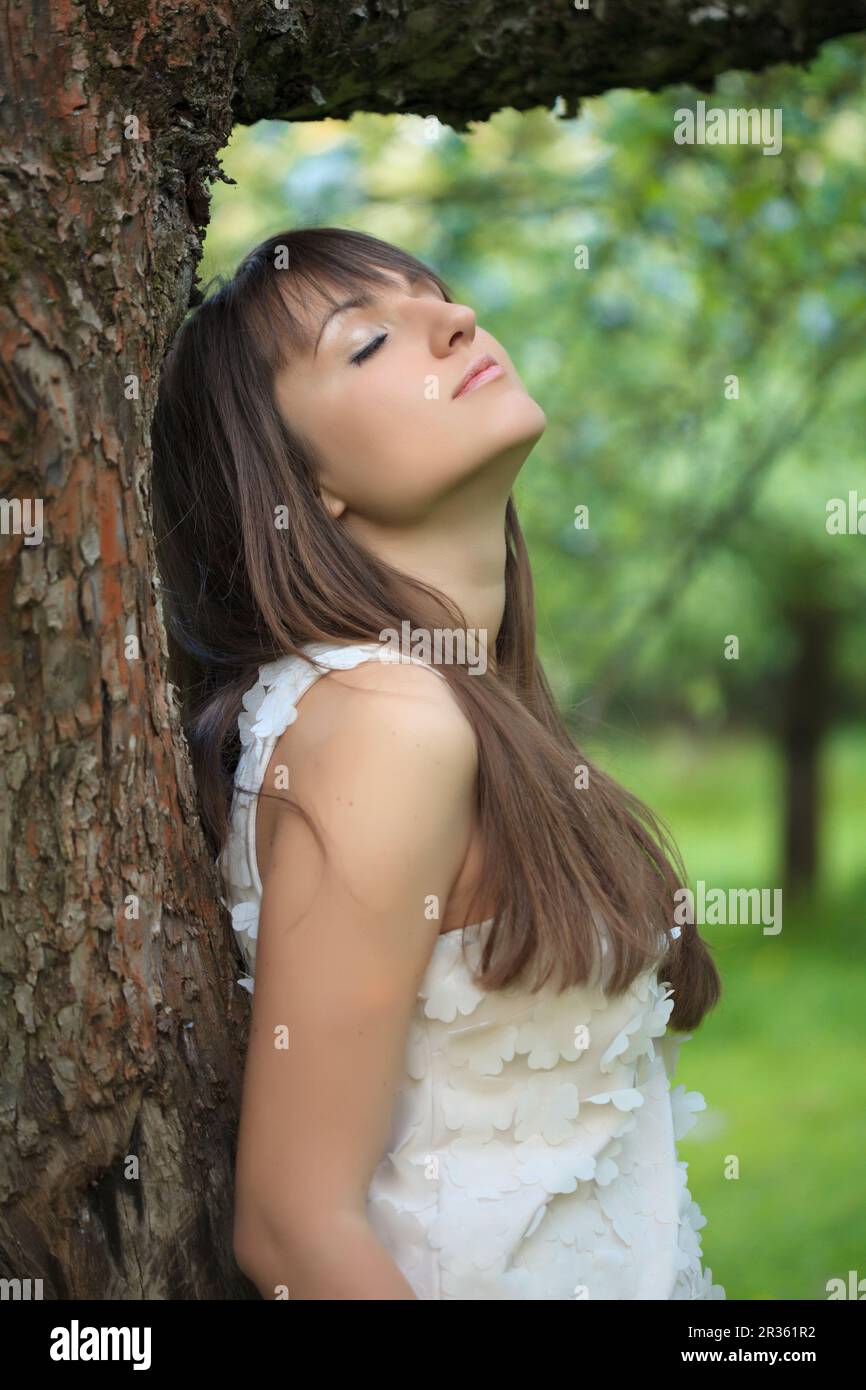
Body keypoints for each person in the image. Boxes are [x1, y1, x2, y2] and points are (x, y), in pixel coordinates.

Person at [151, 225, 725, 1300]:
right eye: (366, 342)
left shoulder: (447, 702)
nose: (456, 320)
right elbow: (291, 1230)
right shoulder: (386, 720)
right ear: (297, 480)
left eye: (435, 296)